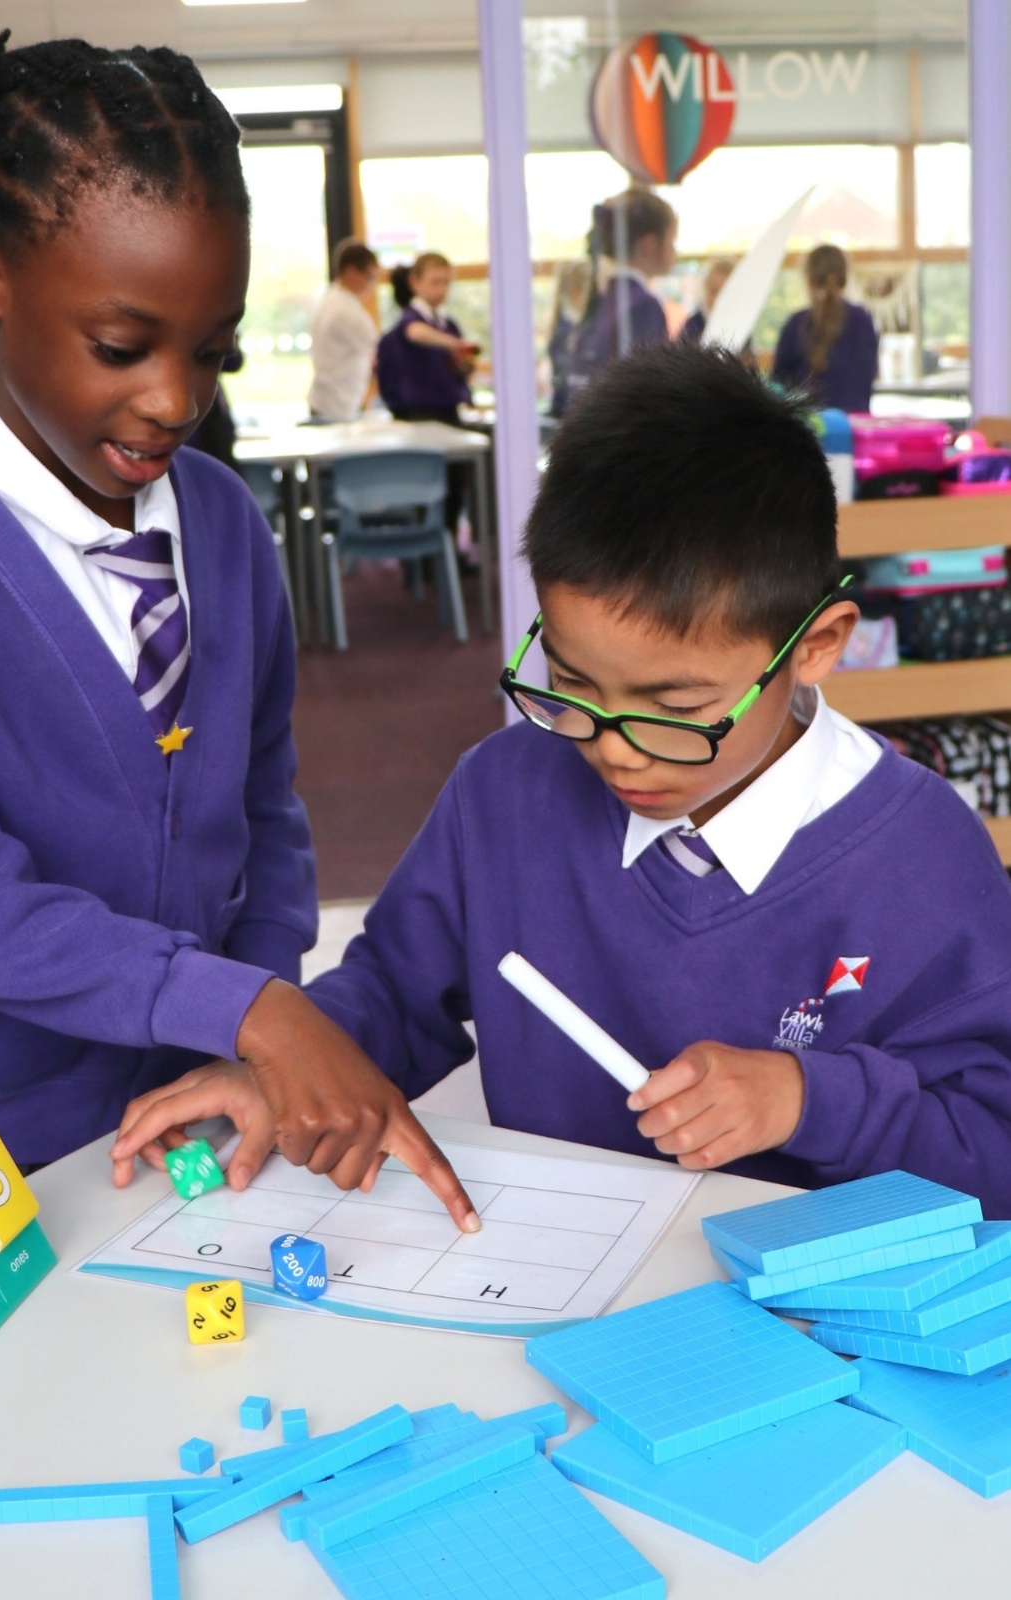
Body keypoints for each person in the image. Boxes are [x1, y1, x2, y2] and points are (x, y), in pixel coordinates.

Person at [0, 30, 475, 1225]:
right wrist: (248, 1011)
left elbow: (263, 807)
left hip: (190, 1113)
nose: (174, 399)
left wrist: (251, 1011)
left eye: (213, 352)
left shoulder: (222, 520)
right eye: (121, 348)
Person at [113, 343, 1011, 1215]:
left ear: (815, 645)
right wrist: (295, 1069)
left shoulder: (924, 860)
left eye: (675, 706)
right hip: (560, 1273)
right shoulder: (503, 795)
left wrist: (806, 1099)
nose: (615, 748)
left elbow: (993, 1155)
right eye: (572, 684)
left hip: (803, 1308)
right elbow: (392, 992)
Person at [561, 189, 675, 396]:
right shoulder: (644, 306)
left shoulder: (600, 301)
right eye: (672, 240)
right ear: (649, 244)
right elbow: (649, 390)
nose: (675, 251)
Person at [773, 244, 879, 413]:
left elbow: (778, 386)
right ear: (844, 278)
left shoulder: (796, 324)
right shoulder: (862, 320)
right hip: (853, 423)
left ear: (809, 280)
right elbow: (869, 375)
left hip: (808, 423)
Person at [376, 253, 477, 424]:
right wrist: (453, 344)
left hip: (448, 409)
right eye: (435, 282)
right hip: (417, 413)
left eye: (446, 283)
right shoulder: (410, 319)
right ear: (414, 282)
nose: (441, 289)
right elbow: (415, 332)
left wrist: (463, 365)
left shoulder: (449, 325)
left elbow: (456, 368)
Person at [307, 240, 380, 423]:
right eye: (370, 277)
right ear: (351, 272)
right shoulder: (345, 310)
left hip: (331, 401)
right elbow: (380, 350)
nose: (372, 285)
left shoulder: (331, 299)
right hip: (337, 405)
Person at [547, 258, 594, 419]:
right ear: (576, 291)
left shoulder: (567, 325)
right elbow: (568, 378)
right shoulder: (567, 330)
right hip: (569, 412)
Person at [682, 257, 735, 342]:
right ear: (704, 290)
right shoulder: (692, 327)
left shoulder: (743, 326)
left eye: (725, 293)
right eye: (714, 291)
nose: (718, 299)